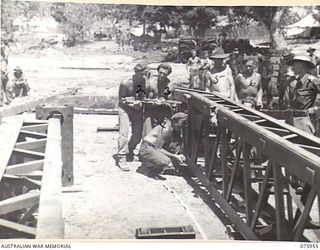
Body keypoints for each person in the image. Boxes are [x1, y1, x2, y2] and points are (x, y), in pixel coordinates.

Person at [115, 63, 147, 170]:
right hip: (124, 108)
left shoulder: (143, 82)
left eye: (145, 74)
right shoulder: (125, 83)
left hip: (136, 108)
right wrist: (131, 104)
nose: (143, 76)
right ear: (136, 72)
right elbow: (121, 99)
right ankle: (121, 157)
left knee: (138, 134)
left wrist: (140, 103)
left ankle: (129, 149)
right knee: (124, 132)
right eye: (142, 74)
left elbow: (142, 95)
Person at [284, 55, 320, 134]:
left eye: (295, 64)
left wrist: (316, 109)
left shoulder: (313, 81)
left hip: (304, 121)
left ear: (303, 65)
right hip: (291, 119)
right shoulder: (295, 82)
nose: (292, 67)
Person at [143, 63, 175, 137]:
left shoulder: (169, 85)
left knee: (164, 133)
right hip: (150, 109)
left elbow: (168, 98)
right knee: (147, 134)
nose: (162, 75)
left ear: (168, 74)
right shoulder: (151, 83)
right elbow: (144, 98)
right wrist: (153, 101)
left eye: (164, 74)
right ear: (157, 71)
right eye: (160, 73)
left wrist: (163, 100)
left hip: (162, 110)